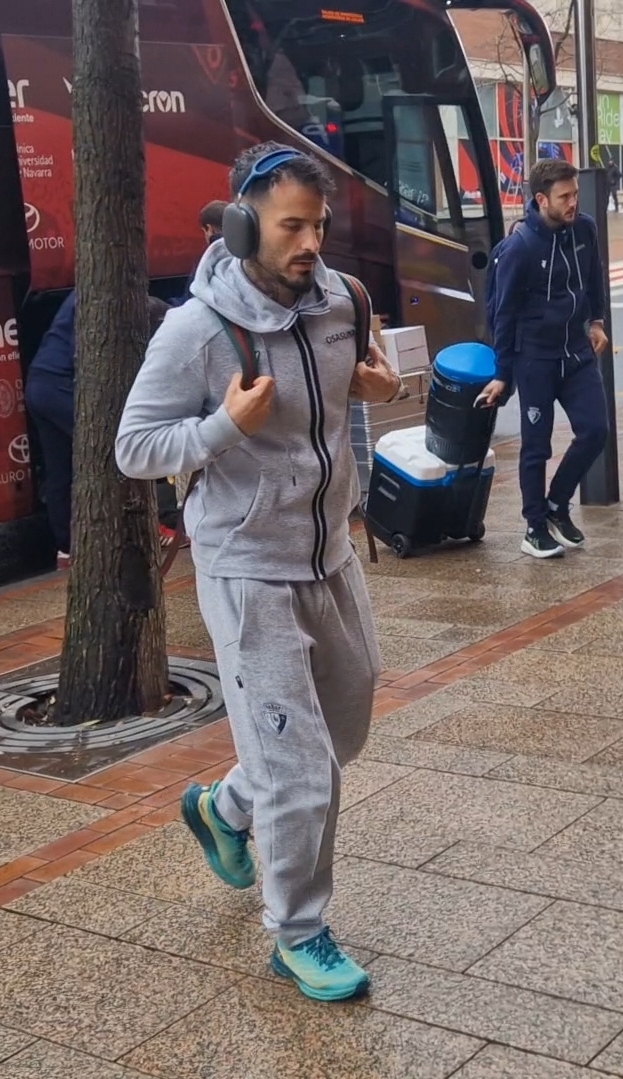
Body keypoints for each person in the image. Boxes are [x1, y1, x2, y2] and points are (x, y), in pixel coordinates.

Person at [115, 142, 400, 1003]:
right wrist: (220, 429)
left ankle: (225, 807)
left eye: (317, 223)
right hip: (248, 571)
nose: (309, 241)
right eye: (290, 225)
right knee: (301, 770)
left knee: (343, 731)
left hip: (330, 557)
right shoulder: (197, 328)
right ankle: (299, 933)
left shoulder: (343, 299)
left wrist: (381, 389)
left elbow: (372, 378)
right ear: (243, 221)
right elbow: (132, 447)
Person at [478, 157, 610, 560]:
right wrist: (503, 373)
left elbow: (593, 279)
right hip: (535, 360)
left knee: (595, 430)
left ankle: (557, 504)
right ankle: (535, 527)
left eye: (575, 194)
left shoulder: (583, 229)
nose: (573, 203)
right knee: (536, 448)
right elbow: (501, 314)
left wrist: (598, 321)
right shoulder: (519, 248)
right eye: (564, 196)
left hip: (576, 352)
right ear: (541, 199)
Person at [26, 292, 174, 559]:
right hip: (63, 387)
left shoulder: (84, 291)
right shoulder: (110, 297)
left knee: (60, 470)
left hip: (39, 384)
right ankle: (147, 528)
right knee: (119, 449)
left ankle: (67, 549)